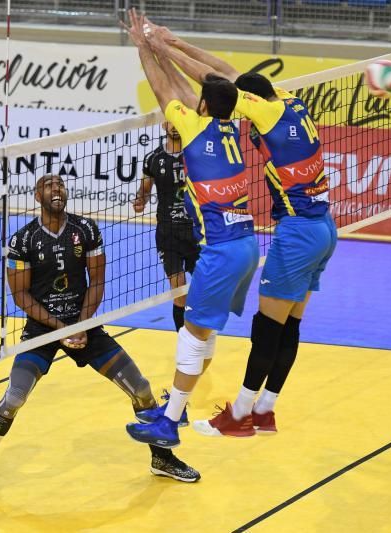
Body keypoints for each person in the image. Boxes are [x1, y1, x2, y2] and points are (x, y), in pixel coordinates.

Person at [146, 27, 338, 437]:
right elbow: (227, 74)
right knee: (289, 325)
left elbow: (218, 82)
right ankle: (265, 410)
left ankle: (238, 416)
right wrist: (175, 44)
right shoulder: (288, 99)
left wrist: (159, 47)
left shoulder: (261, 113)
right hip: (325, 227)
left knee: (267, 327)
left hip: (298, 231)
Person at [0, 174, 200, 500]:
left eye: (61, 185)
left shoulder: (86, 229)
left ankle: (162, 458)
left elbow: (98, 281)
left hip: (83, 324)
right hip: (42, 331)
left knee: (143, 390)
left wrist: (79, 324)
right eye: (49, 185)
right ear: (37, 196)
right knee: (14, 398)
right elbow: (20, 296)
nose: (57, 189)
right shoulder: (23, 241)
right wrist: (61, 330)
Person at [121, 9, 259, 449]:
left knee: (190, 333)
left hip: (220, 250)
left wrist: (145, 46)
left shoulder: (193, 130)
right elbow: (221, 78)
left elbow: (165, 88)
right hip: (247, 246)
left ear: (200, 106)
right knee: (204, 331)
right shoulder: (231, 126)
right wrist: (167, 45)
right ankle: (183, 400)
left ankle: (169, 419)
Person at [133, 121, 200, 426]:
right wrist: (140, 199)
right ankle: (186, 342)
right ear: (164, 124)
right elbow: (145, 190)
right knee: (179, 296)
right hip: (168, 236)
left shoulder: (197, 152)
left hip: (198, 233)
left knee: (202, 295)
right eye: (171, 120)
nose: (175, 125)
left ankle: (196, 343)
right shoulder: (153, 159)